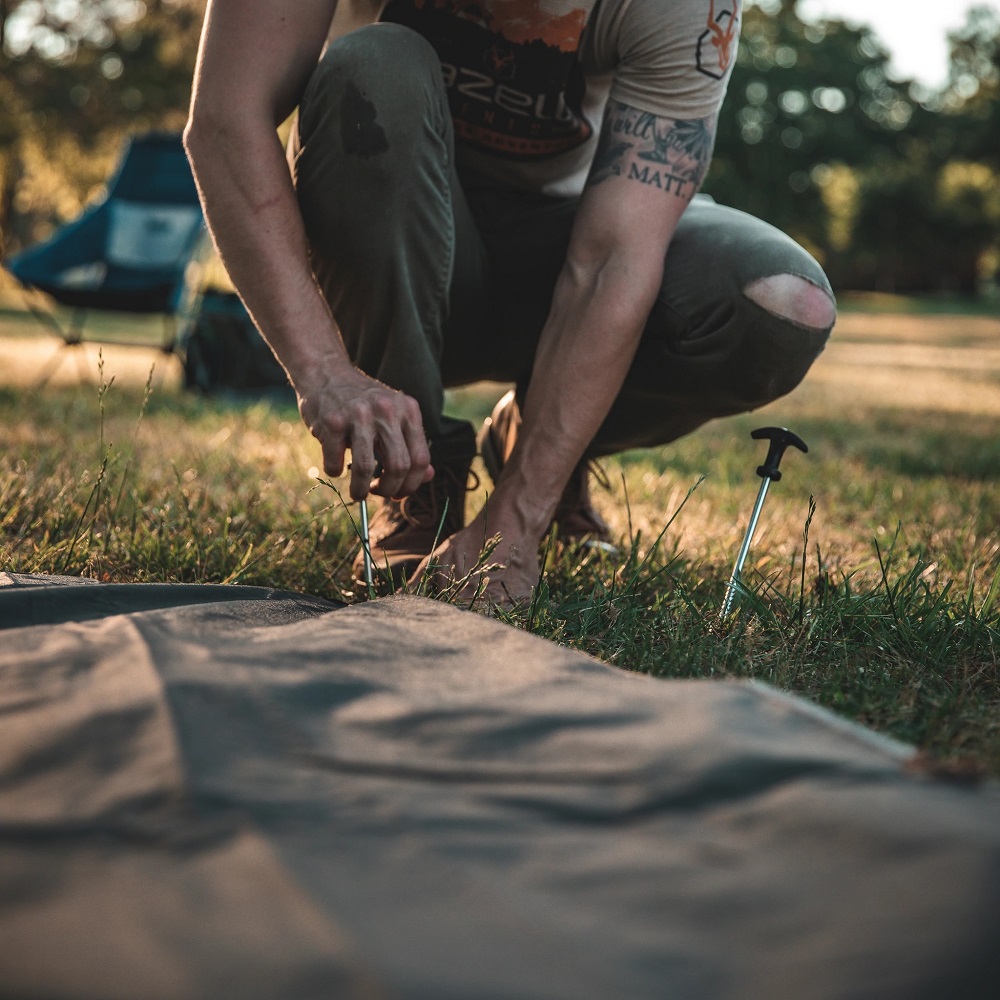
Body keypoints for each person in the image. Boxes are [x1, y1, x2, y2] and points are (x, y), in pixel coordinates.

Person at [185, 0, 836, 604]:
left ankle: (534, 441)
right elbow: (224, 122)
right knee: (372, 65)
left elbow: (613, 260)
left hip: (568, 247)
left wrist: (516, 521)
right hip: (391, 236)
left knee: (781, 306)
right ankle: (418, 474)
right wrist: (325, 372)